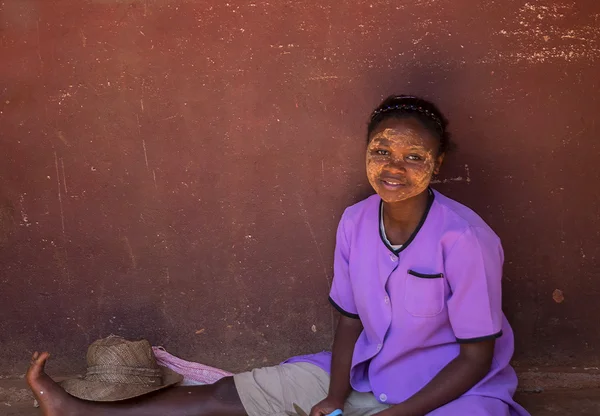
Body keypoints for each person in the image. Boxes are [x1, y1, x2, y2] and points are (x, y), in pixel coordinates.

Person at [26, 95, 530, 416]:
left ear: (437, 164)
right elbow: (351, 321)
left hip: (448, 396)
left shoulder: (464, 239)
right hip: (365, 374)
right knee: (229, 396)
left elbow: (475, 356)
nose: (394, 167)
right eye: (381, 151)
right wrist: (333, 395)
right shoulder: (356, 221)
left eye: (414, 157)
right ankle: (81, 413)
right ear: (365, 152)